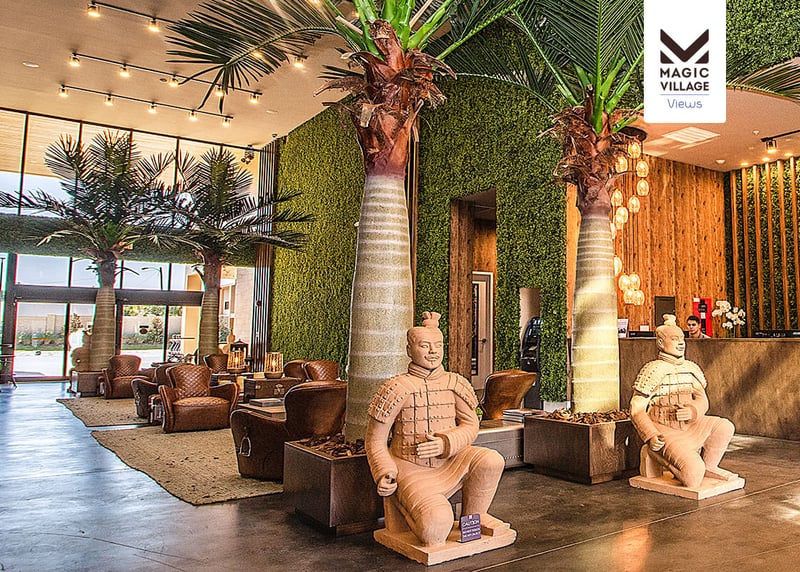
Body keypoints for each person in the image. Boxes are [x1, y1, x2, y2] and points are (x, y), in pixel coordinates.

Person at [365, 312, 507, 547]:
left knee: (491, 460)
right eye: (424, 346)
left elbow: (471, 424)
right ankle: (412, 512)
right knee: (435, 532)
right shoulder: (396, 388)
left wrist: (446, 442)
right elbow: (375, 441)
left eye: (438, 345)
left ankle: (474, 517)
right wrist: (384, 472)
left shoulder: (454, 382)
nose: (433, 351)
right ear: (410, 350)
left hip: (452, 461)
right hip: (411, 468)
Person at [630, 315, 737, 488]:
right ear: (660, 343)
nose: (681, 343)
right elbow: (636, 408)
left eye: (682, 339)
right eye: (674, 339)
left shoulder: (691, 368)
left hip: (691, 426)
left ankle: (710, 466)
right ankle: (655, 455)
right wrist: (651, 435)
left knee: (724, 426)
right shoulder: (652, 370)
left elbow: (702, 399)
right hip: (665, 430)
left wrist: (693, 411)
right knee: (693, 477)